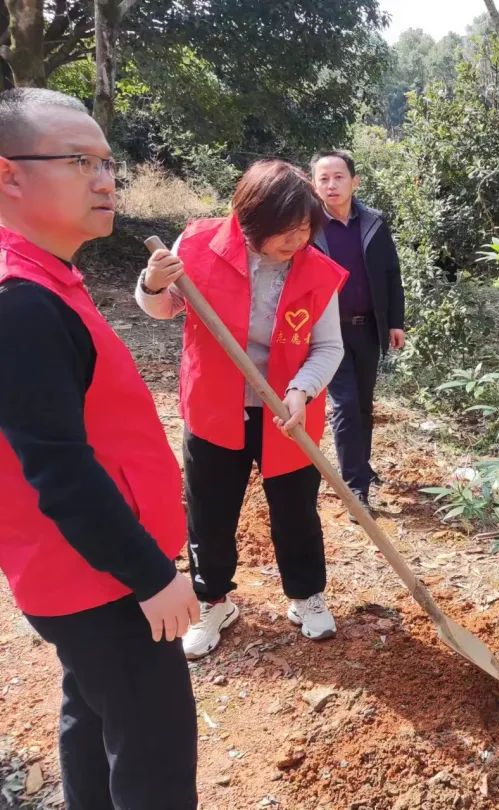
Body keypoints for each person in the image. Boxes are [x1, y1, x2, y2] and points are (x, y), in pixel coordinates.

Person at [0, 88, 198, 808]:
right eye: (79, 161)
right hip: (101, 581)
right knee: (155, 761)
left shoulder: (49, 279)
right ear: (7, 175)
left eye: (108, 163)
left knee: (92, 717)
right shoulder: (21, 301)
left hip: (79, 574)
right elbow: (61, 472)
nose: (106, 179)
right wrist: (150, 576)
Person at [136, 160, 346, 659]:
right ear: (250, 220)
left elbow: (329, 347)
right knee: (210, 510)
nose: (295, 241)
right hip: (214, 406)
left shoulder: (317, 272)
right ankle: (213, 600)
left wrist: (302, 390)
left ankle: (305, 594)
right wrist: (153, 285)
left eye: (304, 229)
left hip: (287, 412)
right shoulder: (199, 247)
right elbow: (163, 309)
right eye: (284, 231)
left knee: (296, 509)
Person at [310, 149, 406, 511]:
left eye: (338, 177)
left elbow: (391, 275)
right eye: (324, 178)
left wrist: (396, 321)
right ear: (313, 184)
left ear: (354, 181)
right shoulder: (307, 226)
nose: (331, 185)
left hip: (367, 329)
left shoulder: (374, 223)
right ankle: (355, 490)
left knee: (363, 403)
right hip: (325, 332)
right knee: (345, 405)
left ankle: (360, 467)